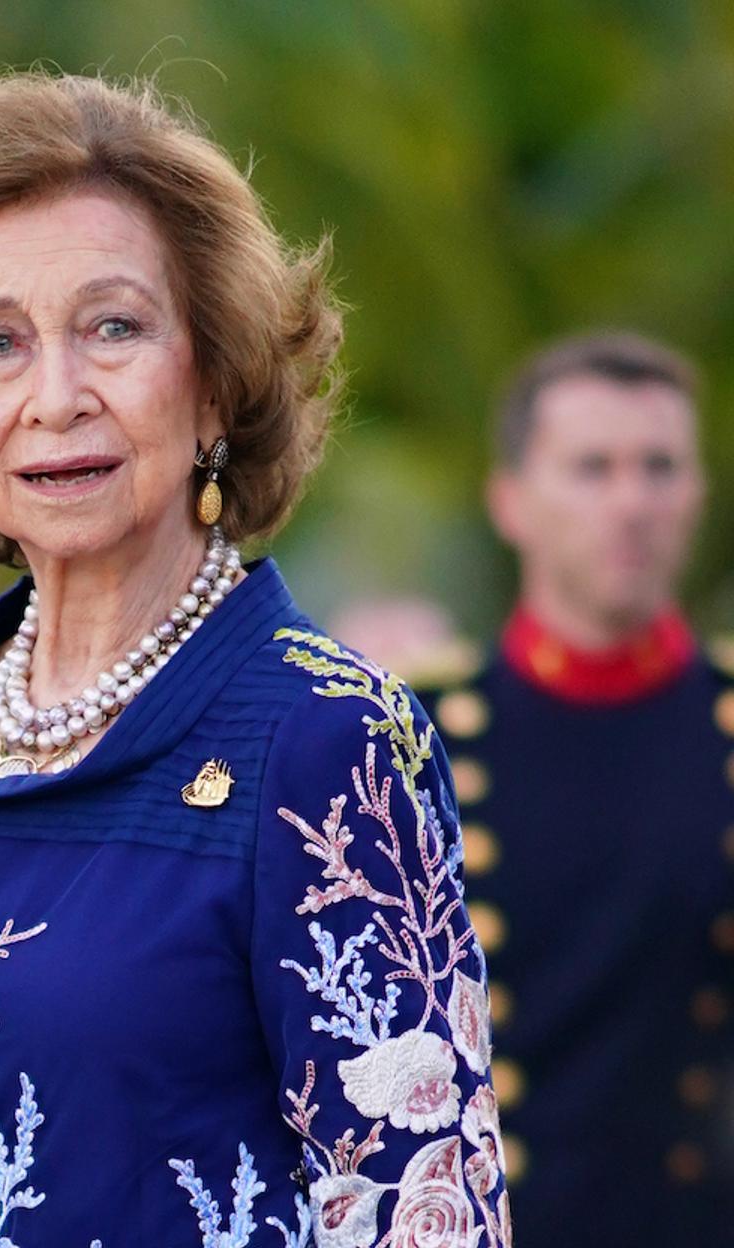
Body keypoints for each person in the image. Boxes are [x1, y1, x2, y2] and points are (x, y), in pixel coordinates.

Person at [0, 72, 508, 1248]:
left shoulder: (324, 739)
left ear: (214, 379)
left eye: (114, 328)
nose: (56, 398)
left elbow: (426, 1215)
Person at [413, 332, 734, 1246]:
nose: (631, 503)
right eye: (592, 468)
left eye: (660, 467)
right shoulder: (415, 735)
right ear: (510, 502)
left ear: (698, 496)